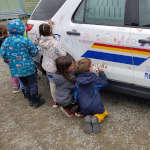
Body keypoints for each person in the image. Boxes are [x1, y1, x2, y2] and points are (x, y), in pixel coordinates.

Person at [0, 19, 44, 108]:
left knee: (25, 85)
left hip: (16, 70)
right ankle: (35, 101)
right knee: (33, 84)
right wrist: (35, 46)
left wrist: (9, 61)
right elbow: (34, 52)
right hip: (29, 69)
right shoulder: (25, 40)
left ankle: (30, 99)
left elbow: (3, 54)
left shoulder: (6, 41)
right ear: (21, 29)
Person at [75, 58, 108, 134]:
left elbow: (75, 95)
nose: (93, 66)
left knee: (88, 111)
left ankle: (87, 117)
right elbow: (104, 83)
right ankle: (96, 118)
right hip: (96, 106)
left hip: (84, 107)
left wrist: (77, 102)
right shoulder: (94, 79)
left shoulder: (78, 81)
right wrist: (101, 72)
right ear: (89, 69)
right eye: (92, 65)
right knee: (104, 112)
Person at [38, 23, 66, 107]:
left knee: (52, 84)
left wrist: (50, 26)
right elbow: (62, 54)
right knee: (60, 83)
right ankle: (63, 98)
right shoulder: (55, 43)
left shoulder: (41, 41)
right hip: (55, 67)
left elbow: (45, 33)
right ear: (50, 31)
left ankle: (55, 101)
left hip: (46, 66)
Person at [0, 23, 21, 93]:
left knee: (13, 71)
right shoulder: (9, 38)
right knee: (20, 69)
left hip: (8, 59)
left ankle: (16, 86)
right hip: (16, 57)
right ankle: (21, 84)